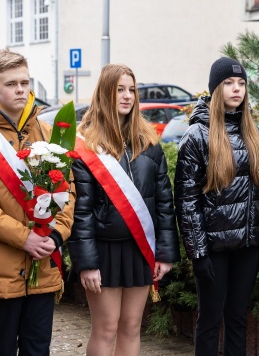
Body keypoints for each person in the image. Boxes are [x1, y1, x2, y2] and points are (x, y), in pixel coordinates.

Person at [0, 49, 75, 355]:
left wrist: (56, 234)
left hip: (42, 266)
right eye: (12, 84)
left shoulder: (48, 133)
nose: (21, 89)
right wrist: (25, 238)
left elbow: (68, 191)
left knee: (37, 350)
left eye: (25, 82)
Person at [68, 64, 180, 356]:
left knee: (131, 327)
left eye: (132, 90)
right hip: (103, 252)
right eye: (120, 89)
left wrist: (165, 253)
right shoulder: (85, 146)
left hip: (140, 249)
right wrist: (87, 262)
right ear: (105, 93)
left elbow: (164, 203)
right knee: (105, 329)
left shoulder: (149, 142)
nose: (128, 96)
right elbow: (81, 212)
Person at [174, 57, 259, 355]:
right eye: (229, 83)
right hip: (213, 248)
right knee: (209, 320)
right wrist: (197, 253)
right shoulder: (197, 136)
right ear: (215, 88)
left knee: (237, 320)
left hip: (247, 246)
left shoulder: (253, 133)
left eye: (242, 83)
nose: (237, 89)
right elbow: (187, 200)